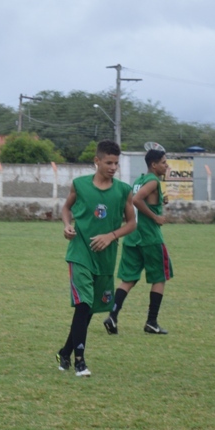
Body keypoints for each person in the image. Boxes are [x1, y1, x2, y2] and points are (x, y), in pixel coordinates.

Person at [56, 139, 136, 377]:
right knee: (83, 304)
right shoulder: (79, 185)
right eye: (108, 162)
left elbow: (132, 223)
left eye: (116, 163)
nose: (113, 167)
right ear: (97, 161)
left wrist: (111, 236)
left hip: (105, 259)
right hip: (80, 254)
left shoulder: (123, 190)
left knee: (88, 308)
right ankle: (80, 361)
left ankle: (65, 351)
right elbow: (66, 209)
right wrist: (67, 226)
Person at [104, 148, 172, 335]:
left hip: (133, 238)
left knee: (128, 279)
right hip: (150, 237)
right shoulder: (152, 181)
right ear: (154, 165)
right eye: (164, 162)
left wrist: (159, 201)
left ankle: (112, 316)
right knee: (159, 278)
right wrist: (156, 217)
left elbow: (142, 198)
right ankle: (151, 322)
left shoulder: (140, 180)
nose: (167, 166)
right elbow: (137, 200)